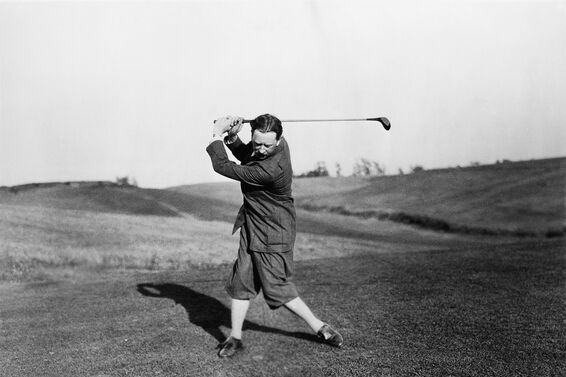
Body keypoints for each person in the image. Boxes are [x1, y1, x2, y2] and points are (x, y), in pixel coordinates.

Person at [206, 114, 343, 358]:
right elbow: (249, 155)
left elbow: (223, 166)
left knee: (276, 287)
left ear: (279, 140)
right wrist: (234, 136)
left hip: (273, 231)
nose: (260, 148)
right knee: (241, 282)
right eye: (256, 142)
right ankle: (235, 337)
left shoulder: (270, 170)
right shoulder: (271, 148)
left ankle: (320, 326)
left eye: (266, 144)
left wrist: (217, 133)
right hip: (253, 225)